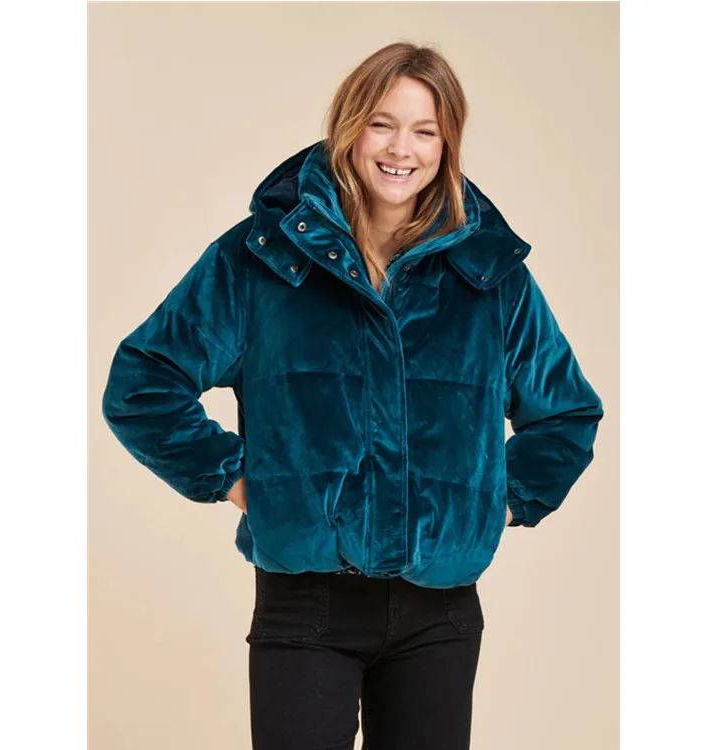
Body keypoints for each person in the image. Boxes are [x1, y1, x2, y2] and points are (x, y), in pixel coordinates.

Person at [102, 42, 604, 750]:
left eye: (425, 131)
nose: (402, 149)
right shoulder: (262, 258)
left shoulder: (489, 275)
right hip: (305, 605)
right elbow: (143, 380)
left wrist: (497, 503)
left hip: (440, 612)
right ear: (349, 127)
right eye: (382, 124)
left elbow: (567, 413)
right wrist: (241, 482)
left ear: (446, 145)